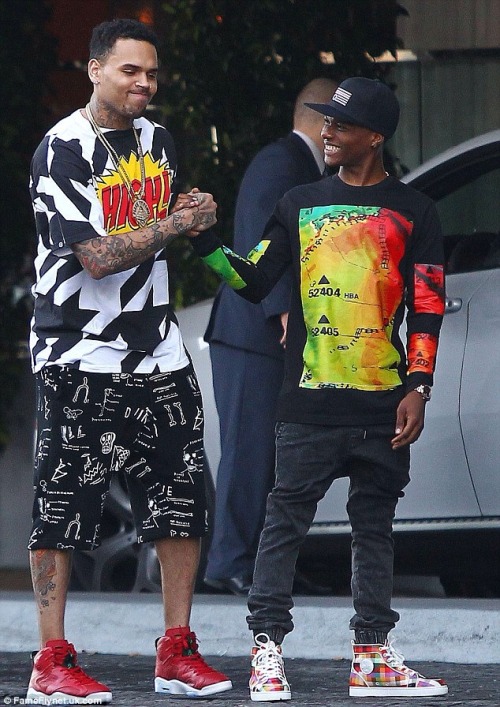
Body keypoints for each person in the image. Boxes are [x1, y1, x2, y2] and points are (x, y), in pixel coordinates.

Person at [187, 77, 448, 700]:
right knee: (284, 525)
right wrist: (200, 240)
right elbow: (250, 282)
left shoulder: (417, 211)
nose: (327, 132)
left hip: (383, 404)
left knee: (375, 528)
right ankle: (266, 654)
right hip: (306, 400)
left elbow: (428, 305)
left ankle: (372, 656)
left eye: (341, 124)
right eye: (323, 121)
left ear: (376, 137)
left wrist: (419, 386)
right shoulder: (299, 201)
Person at [27, 18, 232, 704]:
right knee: (62, 504)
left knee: (181, 496)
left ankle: (175, 650)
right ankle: (50, 660)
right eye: (129, 71)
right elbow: (97, 254)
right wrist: (178, 223)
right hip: (77, 350)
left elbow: (162, 219)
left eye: (151, 72)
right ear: (94, 70)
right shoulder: (64, 148)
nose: (145, 83)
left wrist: (189, 206)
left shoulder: (157, 140)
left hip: (158, 349)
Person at [203, 78, 338, 598]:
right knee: (250, 450)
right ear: (322, 121)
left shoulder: (298, 165)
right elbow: (260, 240)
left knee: (279, 459)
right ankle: (231, 561)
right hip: (254, 334)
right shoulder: (281, 162)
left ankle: (264, 566)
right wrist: (281, 310)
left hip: (268, 335)